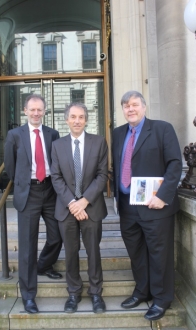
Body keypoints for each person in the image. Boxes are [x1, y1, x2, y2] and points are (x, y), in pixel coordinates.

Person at [112, 91, 182, 321]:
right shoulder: (118, 133)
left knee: (159, 254)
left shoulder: (162, 129)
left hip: (155, 206)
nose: (130, 109)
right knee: (136, 253)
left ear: (144, 107)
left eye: (134, 105)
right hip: (127, 206)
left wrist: (163, 196)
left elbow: (174, 164)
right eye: (126, 106)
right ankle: (142, 291)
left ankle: (162, 298)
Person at [4, 94, 62, 314]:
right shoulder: (14, 135)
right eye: (32, 109)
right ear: (25, 111)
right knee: (27, 246)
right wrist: (22, 184)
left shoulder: (52, 134)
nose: (36, 113)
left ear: (44, 111)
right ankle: (28, 296)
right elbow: (10, 166)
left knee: (58, 234)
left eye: (40, 109)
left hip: (50, 190)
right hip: (28, 192)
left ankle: (44, 265)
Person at [51, 102, 108, 314]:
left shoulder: (99, 142)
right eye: (73, 117)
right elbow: (56, 177)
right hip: (66, 209)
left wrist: (84, 201)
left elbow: (102, 175)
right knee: (71, 252)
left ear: (86, 119)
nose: (77, 121)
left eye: (81, 117)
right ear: (66, 120)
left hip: (91, 208)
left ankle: (96, 293)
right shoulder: (57, 145)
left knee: (93, 252)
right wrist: (73, 203)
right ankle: (74, 292)